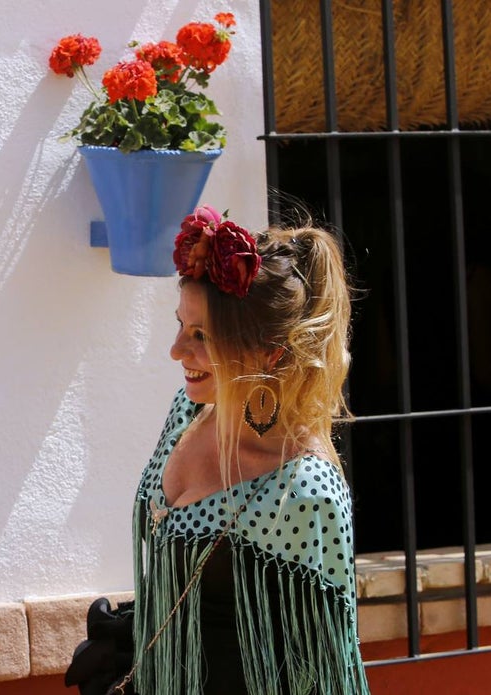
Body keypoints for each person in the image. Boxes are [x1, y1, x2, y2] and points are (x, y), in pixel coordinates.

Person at [126, 207, 370, 694]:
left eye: (202, 336)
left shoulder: (304, 489)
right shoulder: (187, 412)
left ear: (270, 352)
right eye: (181, 325)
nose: (177, 350)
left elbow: (330, 670)